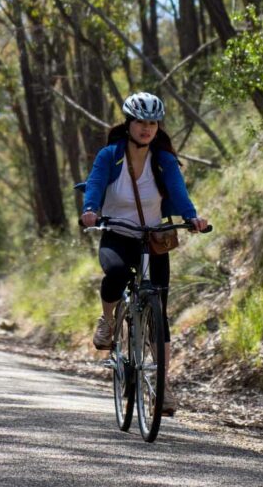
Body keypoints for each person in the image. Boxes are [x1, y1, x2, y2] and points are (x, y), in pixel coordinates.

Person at [78, 91, 208, 416]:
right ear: (129, 124)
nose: (147, 128)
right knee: (117, 272)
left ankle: (162, 387)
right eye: (140, 122)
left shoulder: (163, 160)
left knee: (158, 312)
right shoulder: (111, 156)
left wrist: (192, 217)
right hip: (117, 233)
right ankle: (108, 320)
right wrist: (91, 210)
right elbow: (95, 184)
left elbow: (178, 191)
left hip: (152, 239)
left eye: (152, 123)